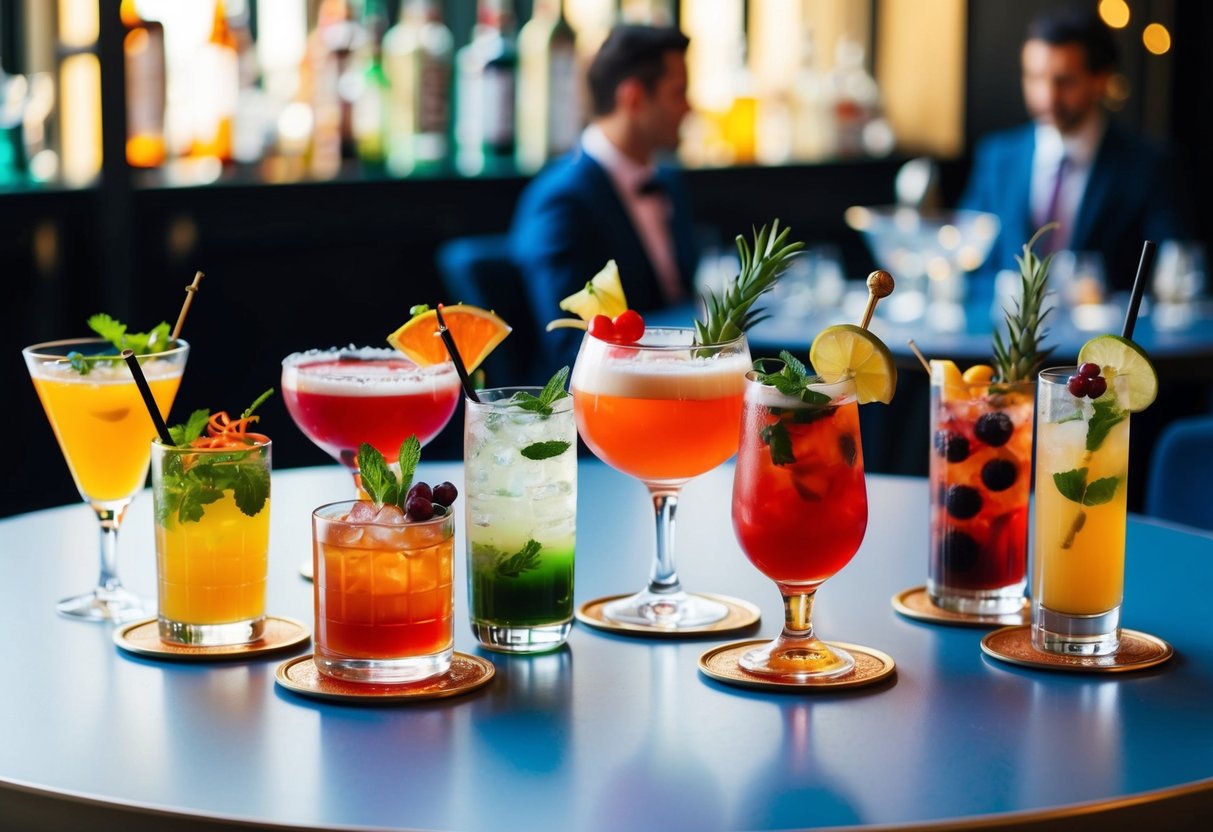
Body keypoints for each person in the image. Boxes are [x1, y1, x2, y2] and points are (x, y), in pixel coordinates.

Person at [510, 25, 698, 373]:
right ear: (634, 98)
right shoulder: (560, 201)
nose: (689, 107)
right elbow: (569, 349)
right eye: (678, 92)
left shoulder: (667, 181)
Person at [961, 6, 1190, 291]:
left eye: (1064, 81)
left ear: (1101, 80)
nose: (1047, 95)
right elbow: (967, 262)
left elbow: (1175, 274)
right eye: (1034, 77)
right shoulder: (997, 157)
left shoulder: (1149, 165)